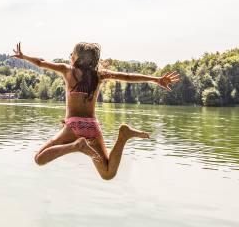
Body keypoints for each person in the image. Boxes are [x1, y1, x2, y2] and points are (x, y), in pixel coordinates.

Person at [12, 41, 180, 180]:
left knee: (39, 158)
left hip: (73, 127)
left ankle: (77, 146)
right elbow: (128, 77)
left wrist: (23, 56)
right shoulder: (99, 74)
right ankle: (123, 135)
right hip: (92, 127)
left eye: (72, 53)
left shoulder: (67, 70)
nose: (70, 55)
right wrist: (155, 79)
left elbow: (41, 62)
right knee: (107, 173)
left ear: (77, 57)